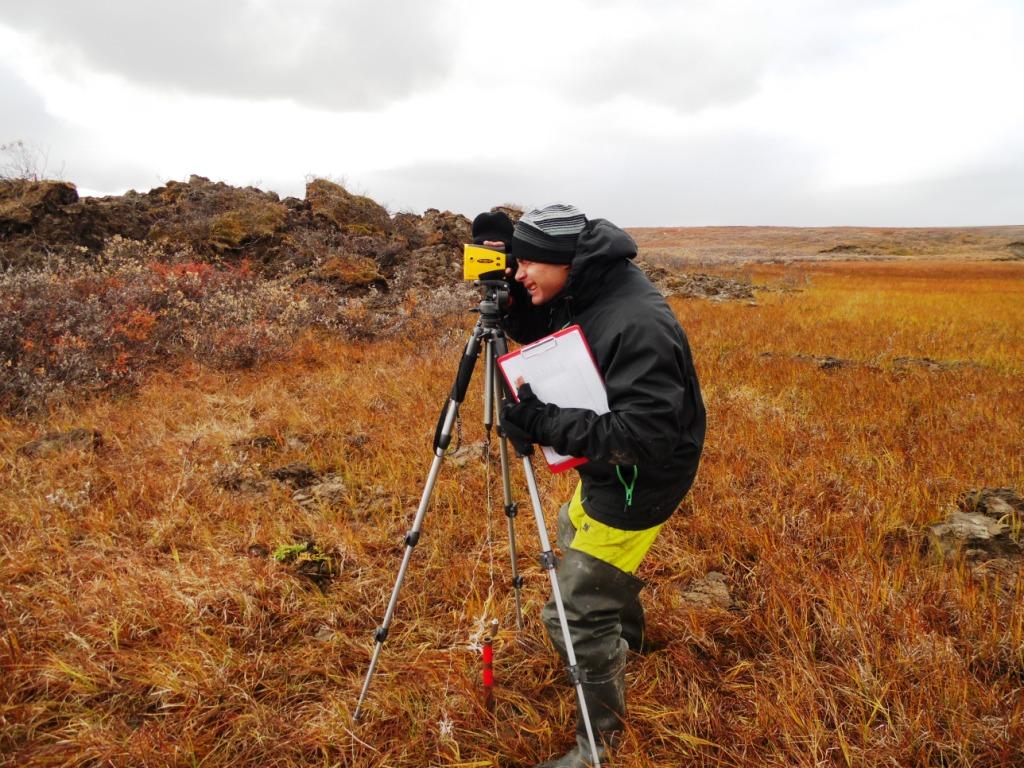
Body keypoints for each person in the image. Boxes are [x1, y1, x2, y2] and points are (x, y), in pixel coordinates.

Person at [486, 203, 706, 767]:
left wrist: (542, 422)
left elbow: (643, 436)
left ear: (564, 260)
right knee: (570, 526)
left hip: (640, 478)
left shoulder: (636, 322)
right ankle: (628, 638)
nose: (518, 272)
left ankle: (598, 744)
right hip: (614, 470)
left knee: (572, 612)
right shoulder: (591, 286)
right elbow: (565, 331)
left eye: (528, 262)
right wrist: (515, 309)